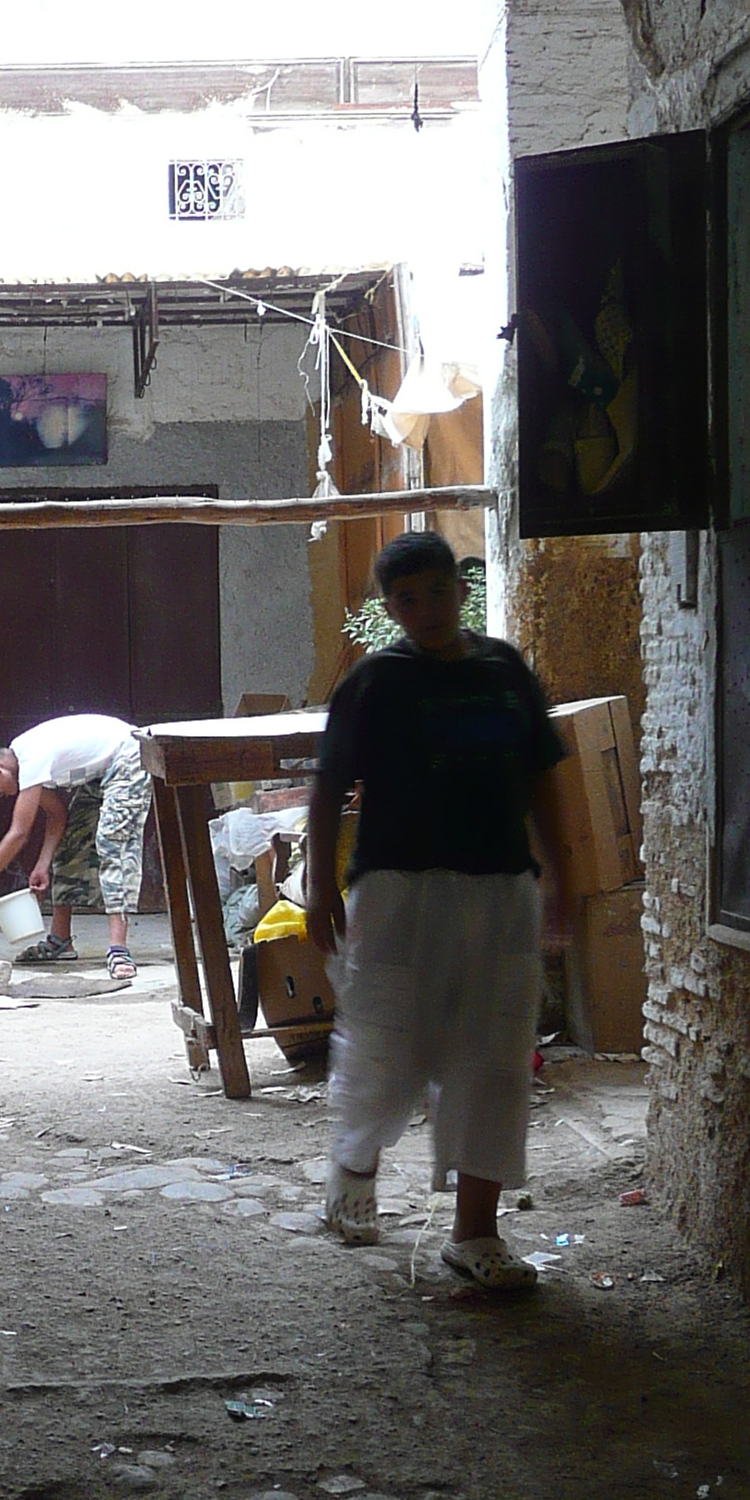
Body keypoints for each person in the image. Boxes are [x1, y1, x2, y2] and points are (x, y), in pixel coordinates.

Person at [305, 532, 568, 1293]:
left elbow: (544, 777)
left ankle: (476, 1233)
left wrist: (563, 877)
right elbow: (329, 790)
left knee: (495, 1057)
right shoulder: (375, 683)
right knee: (387, 1041)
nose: (426, 610)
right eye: (407, 599)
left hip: (499, 888)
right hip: (398, 889)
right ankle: (352, 1179)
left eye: (438, 591)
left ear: (462, 587)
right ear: (390, 608)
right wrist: (322, 890)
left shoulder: (505, 672)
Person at [0, 712, 150, 985]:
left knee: (113, 841)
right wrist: (43, 864)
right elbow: (57, 815)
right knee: (70, 842)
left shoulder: (31, 757)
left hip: (128, 755)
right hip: (100, 773)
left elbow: (19, 833)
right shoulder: (24, 763)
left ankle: (119, 949)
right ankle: (60, 941)